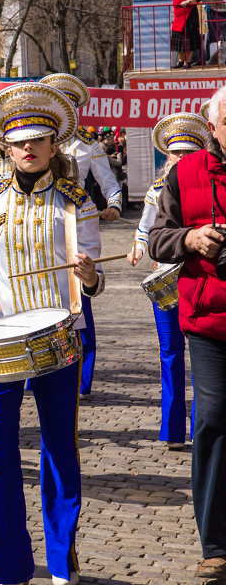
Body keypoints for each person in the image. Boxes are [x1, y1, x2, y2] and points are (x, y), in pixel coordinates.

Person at [0, 82, 104, 585]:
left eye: (39, 139)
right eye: (20, 141)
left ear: (54, 145)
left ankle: (62, 560)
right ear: (6, 147)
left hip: (60, 335)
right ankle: (8, 564)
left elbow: (95, 275)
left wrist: (89, 277)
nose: (29, 148)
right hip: (1, 336)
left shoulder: (75, 201)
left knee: (60, 444)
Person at [149, 85, 226, 581]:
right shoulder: (185, 171)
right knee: (215, 421)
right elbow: (157, 238)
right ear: (214, 125)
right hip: (209, 319)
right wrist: (191, 238)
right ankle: (216, 543)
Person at [128, 112, 207, 452]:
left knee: (204, 357)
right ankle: (173, 429)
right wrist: (137, 245)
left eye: (188, 153)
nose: (180, 159)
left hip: (200, 280)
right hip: (166, 282)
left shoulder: (206, 185)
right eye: (175, 154)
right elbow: (146, 229)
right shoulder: (157, 189)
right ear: (167, 157)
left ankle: (203, 427)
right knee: (171, 354)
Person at [40, 73, 122, 398]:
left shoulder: (89, 148)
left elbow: (110, 185)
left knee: (81, 301)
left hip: (80, 221)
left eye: (70, 107)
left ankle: (81, 379)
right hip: (44, 221)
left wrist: (114, 206)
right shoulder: (38, 142)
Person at [145, 0, 206, 68]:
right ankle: (181, 61)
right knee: (179, 37)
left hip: (189, 15)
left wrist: (188, 1)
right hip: (179, 15)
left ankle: (188, 62)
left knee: (188, 38)